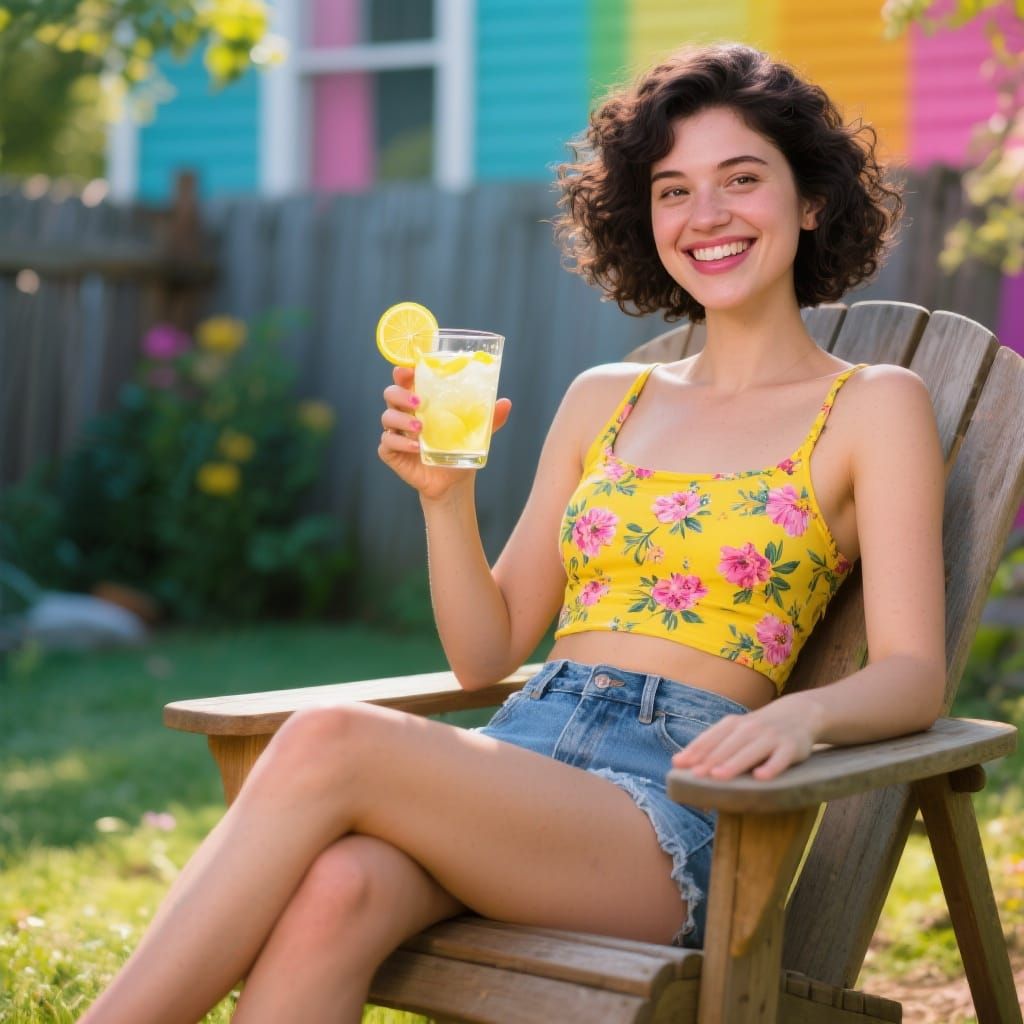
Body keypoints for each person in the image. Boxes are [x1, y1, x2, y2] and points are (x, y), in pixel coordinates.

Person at [82, 42, 945, 1024]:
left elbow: (914, 671)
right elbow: (487, 652)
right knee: (339, 890)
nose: (704, 216)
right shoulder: (605, 400)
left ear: (811, 200)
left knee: (327, 737)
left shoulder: (873, 405)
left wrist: (801, 716)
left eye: (739, 180)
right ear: (641, 215)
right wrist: (444, 499)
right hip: (527, 752)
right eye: (672, 190)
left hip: (676, 807)